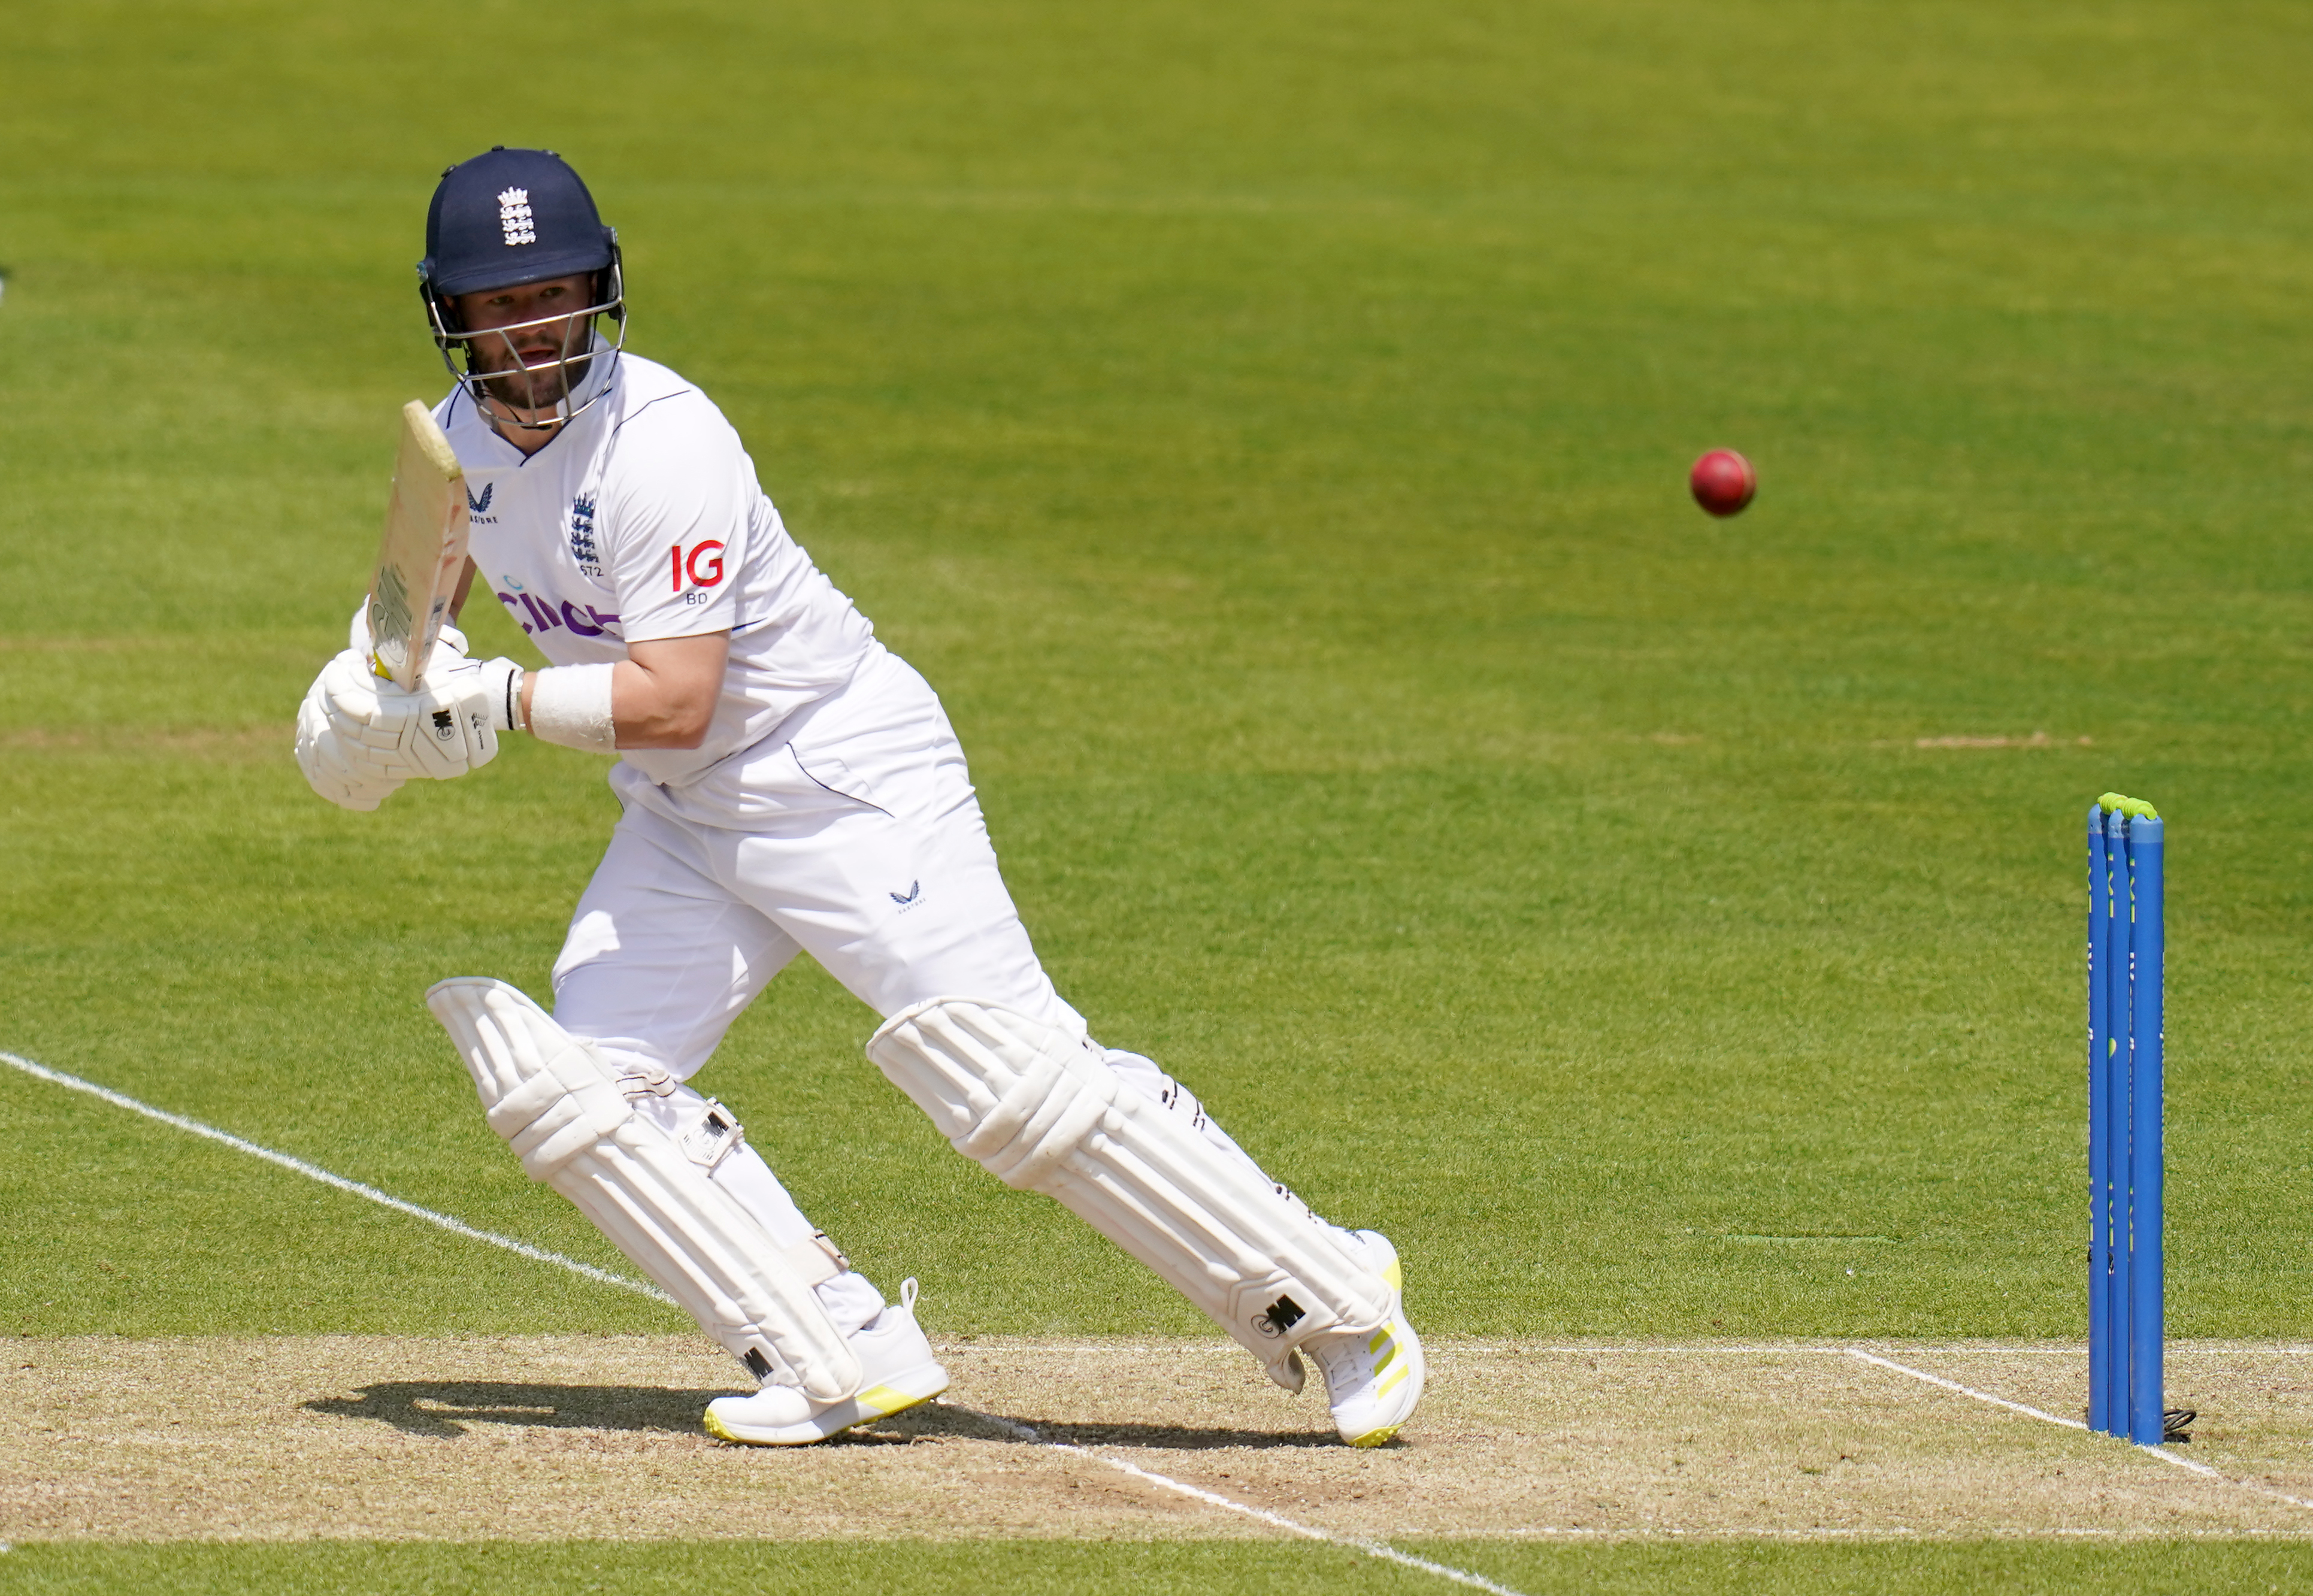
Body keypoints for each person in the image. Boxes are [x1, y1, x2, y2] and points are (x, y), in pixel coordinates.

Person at [294, 147, 1424, 1448]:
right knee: (585, 1087)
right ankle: (833, 1345)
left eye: (552, 295)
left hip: (836, 769)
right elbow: (421, 618)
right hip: (684, 810)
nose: (532, 329)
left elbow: (677, 695)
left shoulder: (662, 442)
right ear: (455, 316)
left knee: (1010, 1083)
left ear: (597, 290)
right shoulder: (457, 448)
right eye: (500, 306)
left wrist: (488, 703)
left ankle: (1337, 1298)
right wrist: (361, 707)